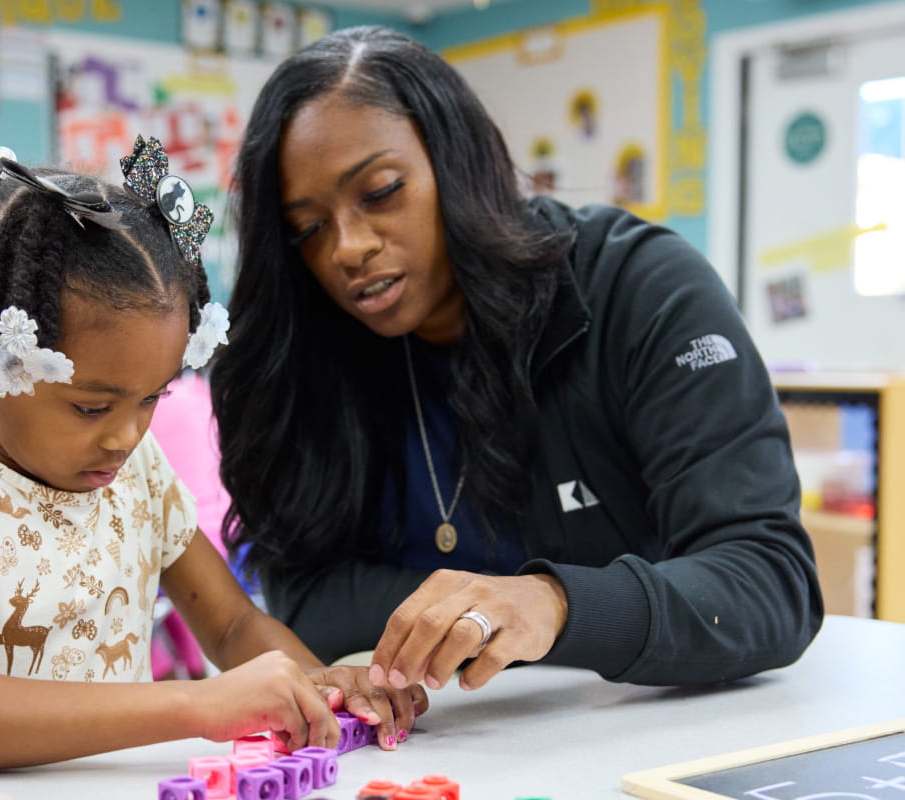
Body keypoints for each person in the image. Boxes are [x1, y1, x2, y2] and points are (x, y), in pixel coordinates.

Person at [210, 26, 823, 694]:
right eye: (307, 228)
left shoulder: (640, 290)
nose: (348, 248)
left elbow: (770, 583)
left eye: (381, 191)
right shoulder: (301, 358)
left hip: (635, 725)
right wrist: (481, 616)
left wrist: (554, 605)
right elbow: (309, 602)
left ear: (458, 162)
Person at [0, 131, 425, 781]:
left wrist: (318, 683)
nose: (125, 437)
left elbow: (234, 625)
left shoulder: (139, 471)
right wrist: (192, 702)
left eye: (152, 398)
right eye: (92, 407)